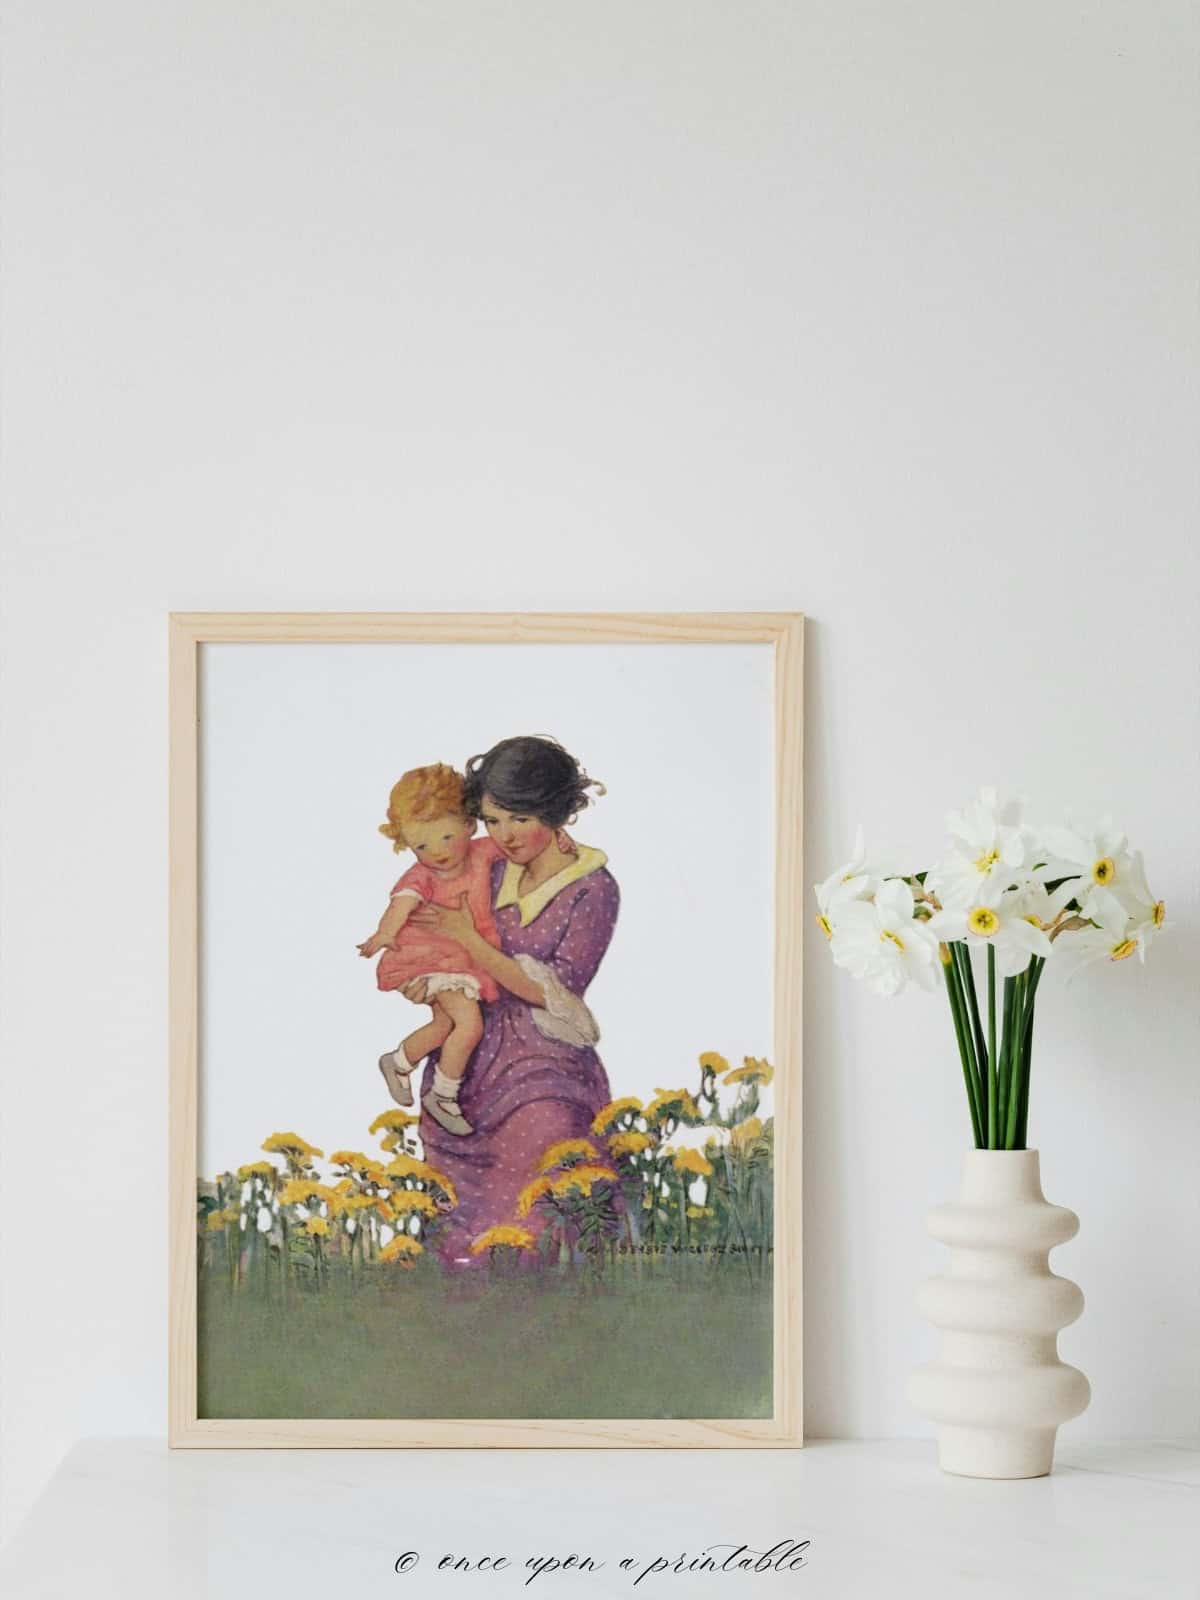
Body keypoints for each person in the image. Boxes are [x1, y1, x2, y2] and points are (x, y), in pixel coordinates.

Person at [402, 735, 620, 1264]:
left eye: (520, 819)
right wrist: (423, 974)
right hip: (469, 1056)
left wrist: (472, 943)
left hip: (547, 1062)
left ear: (555, 811)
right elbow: (434, 923)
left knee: (544, 1177)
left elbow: (556, 992)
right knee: (455, 1203)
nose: (505, 835)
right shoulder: (487, 865)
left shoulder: (592, 888)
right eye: (494, 820)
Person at [356, 763, 505, 1136]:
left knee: (445, 1023)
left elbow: (515, 846)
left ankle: (399, 1060)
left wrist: (563, 840)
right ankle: (443, 1095)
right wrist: (383, 934)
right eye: (421, 845)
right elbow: (401, 905)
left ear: (469, 825)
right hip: (427, 959)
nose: (436, 852)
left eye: (446, 837)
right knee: (469, 1024)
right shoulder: (420, 876)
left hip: (459, 959)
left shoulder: (482, 852)